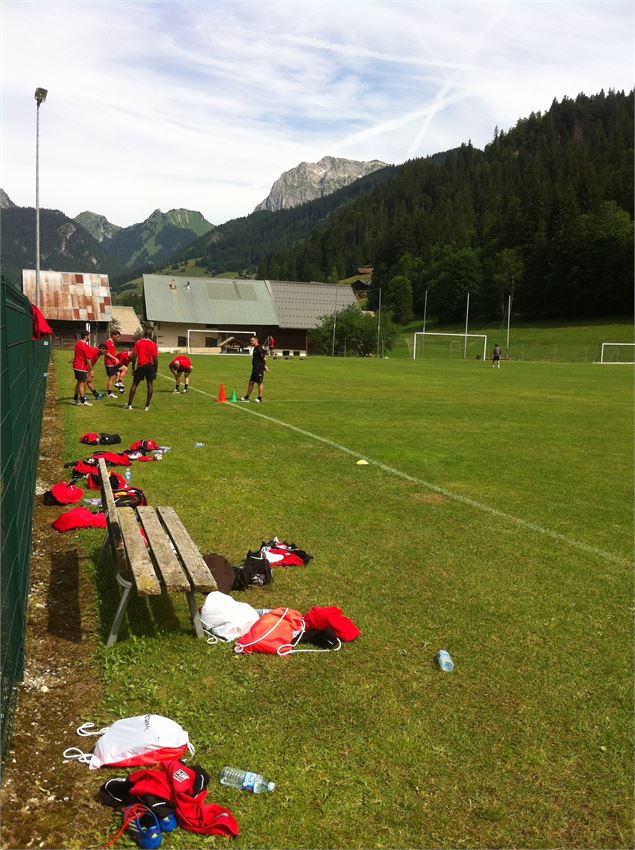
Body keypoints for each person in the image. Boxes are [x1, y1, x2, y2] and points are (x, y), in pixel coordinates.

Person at [126, 328, 159, 412]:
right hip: (150, 366)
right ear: (151, 335)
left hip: (141, 365)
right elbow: (155, 359)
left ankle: (129, 405)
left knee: (135, 384)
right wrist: (155, 370)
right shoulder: (154, 344)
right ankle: (147, 406)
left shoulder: (138, 342)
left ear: (144, 335)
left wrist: (133, 368)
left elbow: (134, 356)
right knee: (150, 385)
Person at [72, 329, 103, 406]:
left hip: (76, 366)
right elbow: (88, 359)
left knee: (79, 382)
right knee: (82, 384)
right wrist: (91, 370)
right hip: (81, 367)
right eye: (89, 336)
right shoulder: (84, 346)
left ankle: (75, 399)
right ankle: (82, 400)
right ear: (86, 337)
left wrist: (97, 349)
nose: (89, 337)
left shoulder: (77, 343)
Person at [239, 335, 268, 403]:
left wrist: (264, 366)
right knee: (251, 382)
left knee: (259, 383)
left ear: (256, 340)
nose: (251, 342)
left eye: (252, 340)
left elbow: (264, 357)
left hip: (259, 369)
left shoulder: (260, 348)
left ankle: (259, 398)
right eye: (250, 340)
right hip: (255, 368)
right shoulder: (255, 348)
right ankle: (247, 397)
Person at [104, 330, 122, 396]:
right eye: (117, 337)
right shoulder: (108, 342)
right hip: (109, 363)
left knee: (114, 377)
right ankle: (109, 393)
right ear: (113, 335)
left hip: (112, 363)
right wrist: (114, 358)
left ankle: (112, 391)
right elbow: (106, 352)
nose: (118, 338)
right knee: (111, 378)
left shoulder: (112, 342)